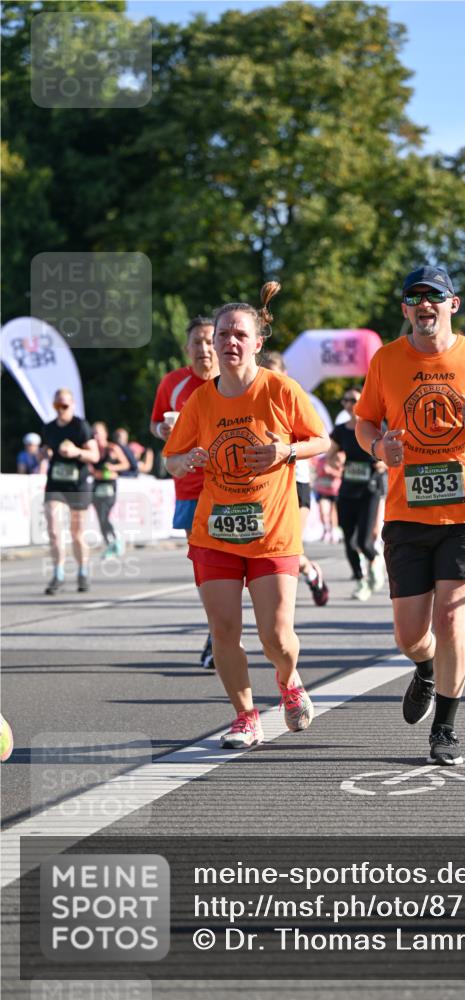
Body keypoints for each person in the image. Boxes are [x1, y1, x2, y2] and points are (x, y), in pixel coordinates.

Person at [355, 264, 465, 765]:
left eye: (434, 296)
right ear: (405, 308)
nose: (424, 304)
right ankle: (425, 668)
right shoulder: (386, 359)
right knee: (410, 634)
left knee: (451, 619)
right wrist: (378, 447)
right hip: (406, 513)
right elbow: (365, 422)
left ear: (453, 304)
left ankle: (445, 729)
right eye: (414, 297)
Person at [163, 283, 329, 749]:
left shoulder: (280, 389)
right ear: (213, 343)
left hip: (272, 532)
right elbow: (170, 460)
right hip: (215, 532)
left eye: (240, 334)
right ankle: (245, 717)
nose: (229, 342)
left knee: (276, 636)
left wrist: (286, 451)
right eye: (223, 334)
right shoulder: (200, 401)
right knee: (223, 631)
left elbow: (321, 440)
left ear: (257, 342)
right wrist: (186, 460)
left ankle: (289, 680)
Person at [151, 315, 219, 668]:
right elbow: (154, 423)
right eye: (197, 342)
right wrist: (162, 430)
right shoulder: (173, 383)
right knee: (205, 567)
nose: (204, 348)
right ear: (186, 348)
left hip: (233, 488)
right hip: (190, 487)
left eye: (210, 341)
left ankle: (224, 630)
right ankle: (217, 632)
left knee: (236, 567)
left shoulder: (235, 381)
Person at [261, 350, 329, 606]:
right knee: (271, 545)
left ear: (285, 374)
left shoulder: (294, 399)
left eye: (275, 375)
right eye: (266, 375)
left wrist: (288, 450)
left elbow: (319, 440)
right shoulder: (253, 401)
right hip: (267, 486)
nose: (270, 381)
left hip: (297, 482)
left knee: (289, 545)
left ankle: (307, 577)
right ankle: (309, 573)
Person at [324, 386, 386, 600]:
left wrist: (383, 464)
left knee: (364, 541)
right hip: (347, 490)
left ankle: (375, 563)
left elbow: (391, 452)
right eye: (346, 400)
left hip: (370, 490)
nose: (350, 404)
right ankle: (361, 580)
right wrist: (335, 462)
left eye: (354, 400)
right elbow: (330, 455)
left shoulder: (376, 427)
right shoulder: (341, 430)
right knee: (348, 539)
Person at [41, 388, 99, 594]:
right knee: (53, 528)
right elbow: (44, 450)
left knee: (76, 533)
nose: (60, 409)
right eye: (57, 405)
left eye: (64, 405)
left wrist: (76, 452)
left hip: (78, 484)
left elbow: (95, 455)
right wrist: (45, 453)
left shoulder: (80, 426)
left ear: (72, 405)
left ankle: (83, 571)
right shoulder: (48, 428)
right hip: (55, 483)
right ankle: (58, 574)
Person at [91, 421, 130, 558]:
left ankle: (115, 541)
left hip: (109, 486)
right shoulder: (92, 450)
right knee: (100, 517)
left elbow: (126, 464)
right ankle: (109, 545)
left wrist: (113, 467)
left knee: (104, 515)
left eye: (98, 433)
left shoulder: (113, 448)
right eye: (94, 434)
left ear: (105, 434)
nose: (96, 436)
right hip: (96, 486)